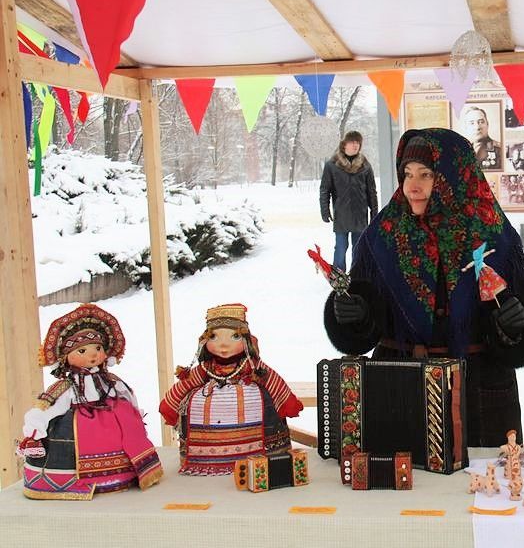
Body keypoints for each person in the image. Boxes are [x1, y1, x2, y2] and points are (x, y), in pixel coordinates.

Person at [324, 128, 524, 447]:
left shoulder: (494, 235)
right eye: (407, 174)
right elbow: (365, 327)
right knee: (401, 489)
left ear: (455, 175)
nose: (412, 186)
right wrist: (353, 315)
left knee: (485, 491)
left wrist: (514, 325)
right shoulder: (382, 237)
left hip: (479, 395)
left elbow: (523, 314)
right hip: (399, 389)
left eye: (426, 174)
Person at [18, 303, 163, 499]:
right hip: (82, 422)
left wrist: (135, 413)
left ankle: (125, 473)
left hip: (115, 416)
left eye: (97, 348)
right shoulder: (67, 387)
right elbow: (48, 405)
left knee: (126, 425)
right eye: (83, 351)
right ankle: (86, 480)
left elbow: (127, 394)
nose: (93, 354)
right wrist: (35, 427)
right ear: (66, 357)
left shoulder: (110, 381)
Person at [160, 303, 302, 475]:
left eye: (234, 337)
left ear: (246, 340)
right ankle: (204, 459)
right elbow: (186, 383)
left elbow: (271, 379)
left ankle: (265, 457)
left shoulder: (251, 367)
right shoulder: (205, 369)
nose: (223, 345)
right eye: (214, 337)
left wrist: (287, 402)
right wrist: (170, 405)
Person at [320, 131, 378, 272]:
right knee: (341, 247)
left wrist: (374, 212)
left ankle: (356, 274)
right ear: (344, 144)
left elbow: (371, 191)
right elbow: (324, 190)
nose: (355, 145)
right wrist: (325, 210)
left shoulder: (365, 165)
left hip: (360, 216)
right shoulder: (332, 165)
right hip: (341, 215)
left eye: (358, 143)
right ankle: (339, 276)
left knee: (358, 248)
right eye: (352, 142)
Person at [462, 105, 502, 171]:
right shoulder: (461, 150)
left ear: (487, 124)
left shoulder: (500, 150)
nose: (477, 127)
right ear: (466, 127)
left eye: (481, 122)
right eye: (472, 123)